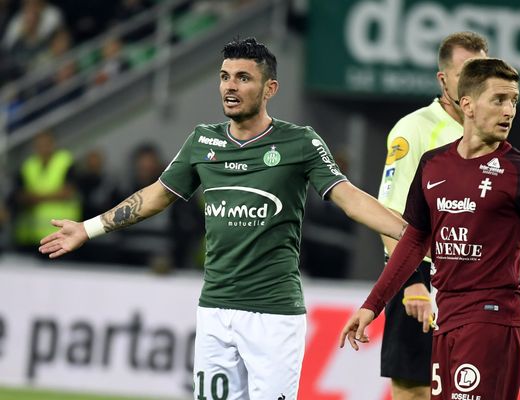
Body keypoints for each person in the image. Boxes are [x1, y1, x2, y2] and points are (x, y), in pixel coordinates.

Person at [38, 37, 406, 400]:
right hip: (215, 309)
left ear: (270, 88)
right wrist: (88, 228)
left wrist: (413, 235)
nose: (230, 86)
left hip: (273, 314)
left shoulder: (299, 143)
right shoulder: (202, 142)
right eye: (224, 76)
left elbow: (350, 200)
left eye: (243, 77)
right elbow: (155, 195)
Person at [339, 58, 520, 400]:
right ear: (468, 104)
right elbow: (414, 240)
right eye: (499, 100)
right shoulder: (433, 164)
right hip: (445, 319)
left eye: (514, 101)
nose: (509, 110)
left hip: (491, 321)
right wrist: (372, 305)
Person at [377, 31, 488, 399]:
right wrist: (410, 281)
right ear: (443, 79)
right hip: (421, 275)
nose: (477, 82)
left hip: (472, 282)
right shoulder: (415, 130)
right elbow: (389, 212)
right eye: (466, 72)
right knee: (414, 390)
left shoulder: (490, 135)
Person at [12, 129, 81, 255]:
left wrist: (35, 197)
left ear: (53, 143)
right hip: (31, 233)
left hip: (62, 234)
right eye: (39, 144)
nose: (43, 147)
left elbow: (67, 193)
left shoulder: (65, 161)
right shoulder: (28, 165)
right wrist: (53, 195)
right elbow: (19, 195)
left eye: (46, 143)